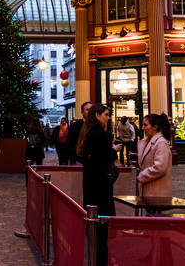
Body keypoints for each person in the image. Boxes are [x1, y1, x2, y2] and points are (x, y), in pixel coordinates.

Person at [76, 104, 121, 266]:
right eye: (106, 115)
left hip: (91, 183)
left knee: (95, 226)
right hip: (99, 184)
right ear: (97, 115)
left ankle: (97, 255)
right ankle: (100, 259)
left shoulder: (88, 132)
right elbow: (102, 157)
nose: (108, 118)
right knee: (101, 227)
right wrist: (114, 150)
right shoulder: (99, 134)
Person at [137, 113, 173, 198]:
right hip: (150, 191)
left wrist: (142, 175)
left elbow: (160, 168)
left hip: (156, 192)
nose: (142, 128)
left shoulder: (161, 143)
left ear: (155, 127)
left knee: (153, 211)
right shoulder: (148, 141)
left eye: (145, 125)